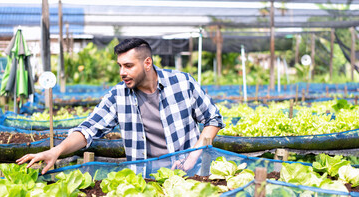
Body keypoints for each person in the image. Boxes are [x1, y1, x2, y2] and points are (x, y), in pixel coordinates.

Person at [17, 38, 225, 174]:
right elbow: (88, 129)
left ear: (147, 63)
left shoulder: (182, 83)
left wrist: (192, 157)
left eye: (128, 66)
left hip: (189, 176)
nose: (122, 72)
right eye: (120, 66)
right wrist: (57, 151)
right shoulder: (118, 95)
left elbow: (213, 119)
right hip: (145, 181)